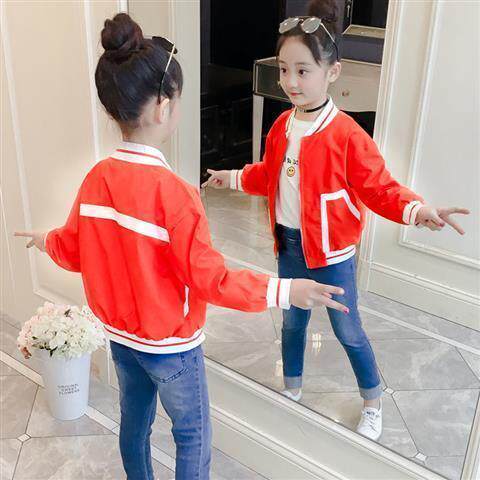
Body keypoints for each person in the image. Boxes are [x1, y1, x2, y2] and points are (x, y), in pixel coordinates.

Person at [14, 12, 349, 480]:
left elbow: (73, 248)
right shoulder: (175, 194)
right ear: (163, 107)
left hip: (122, 340)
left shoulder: (96, 179)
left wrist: (45, 240)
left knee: (134, 423)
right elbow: (212, 280)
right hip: (172, 348)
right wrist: (286, 290)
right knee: (191, 434)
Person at [202, 0, 470, 441]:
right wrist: (231, 177)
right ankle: (292, 389)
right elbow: (269, 175)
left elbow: (379, 187)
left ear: (332, 72)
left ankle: (373, 400)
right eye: (284, 69)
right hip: (289, 246)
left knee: (348, 330)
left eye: (303, 71)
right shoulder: (282, 126)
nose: (291, 81)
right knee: (292, 323)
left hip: (332, 256)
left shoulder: (346, 134)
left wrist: (418, 210)